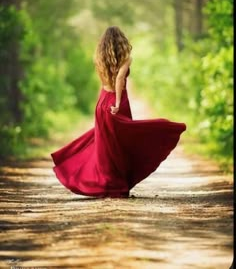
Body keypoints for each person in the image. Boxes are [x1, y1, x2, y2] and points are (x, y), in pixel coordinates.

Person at [51, 26, 186, 198]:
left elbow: (105, 81)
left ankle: (107, 183)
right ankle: (115, 184)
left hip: (102, 102)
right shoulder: (126, 59)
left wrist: (108, 101)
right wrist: (116, 102)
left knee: (105, 146)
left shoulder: (99, 58)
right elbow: (120, 78)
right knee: (120, 144)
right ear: (121, 42)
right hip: (116, 102)